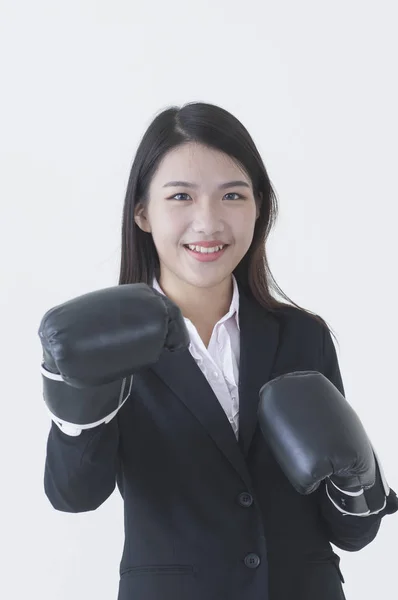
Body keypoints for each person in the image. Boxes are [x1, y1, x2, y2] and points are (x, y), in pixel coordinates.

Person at [39, 102, 398, 600]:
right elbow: (74, 495)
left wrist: (359, 480)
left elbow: (354, 532)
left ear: (258, 207)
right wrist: (76, 410)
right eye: (181, 196)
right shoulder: (109, 344)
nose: (208, 222)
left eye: (232, 195)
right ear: (142, 212)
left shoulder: (302, 336)